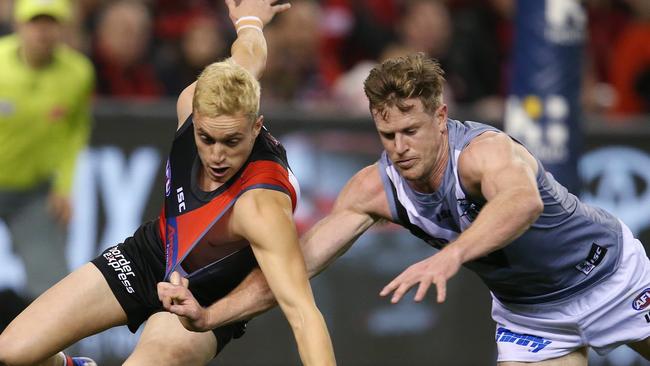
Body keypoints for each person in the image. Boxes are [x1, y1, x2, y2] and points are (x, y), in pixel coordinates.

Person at [183, 53, 650, 365]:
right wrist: (211, 316)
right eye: (388, 136)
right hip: (532, 317)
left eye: (412, 130)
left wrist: (451, 254)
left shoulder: (481, 153)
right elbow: (293, 268)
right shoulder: (374, 189)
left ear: (441, 117)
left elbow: (521, 202)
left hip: (609, 274)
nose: (400, 148)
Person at [0, 1, 336, 365]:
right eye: (206, 139)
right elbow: (250, 52)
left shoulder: (262, 206)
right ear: (195, 116)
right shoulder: (197, 99)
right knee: (11, 353)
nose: (217, 156)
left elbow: (304, 315)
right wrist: (252, 20)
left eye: (232, 141)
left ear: (256, 126)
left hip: (207, 295)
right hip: (151, 254)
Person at [0, 0, 93, 307]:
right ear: (18, 25)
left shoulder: (78, 73)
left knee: (52, 293)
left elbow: (74, 132)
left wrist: (64, 186)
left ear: (63, 28)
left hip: (32, 194)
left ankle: (58, 357)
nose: (43, 31)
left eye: (51, 23)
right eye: (35, 22)